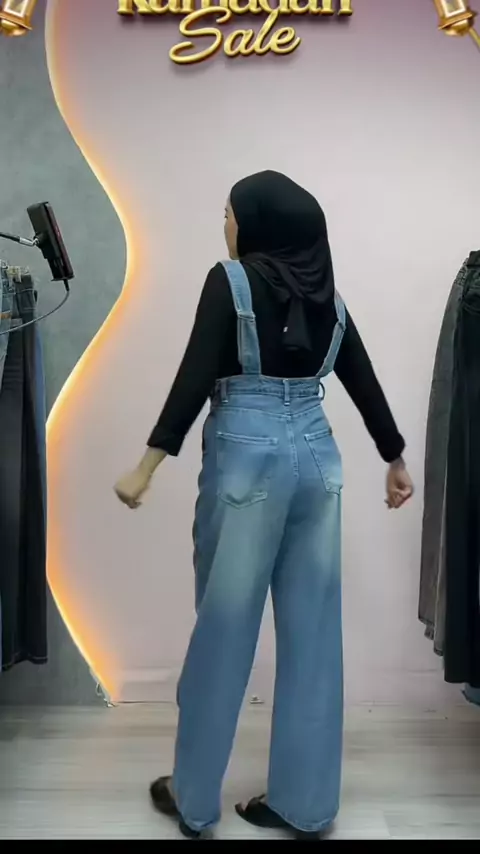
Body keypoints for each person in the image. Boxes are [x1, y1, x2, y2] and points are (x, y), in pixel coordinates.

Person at [114, 170, 413, 840]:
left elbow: (195, 374)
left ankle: (194, 799)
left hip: (248, 457)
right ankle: (305, 805)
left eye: (229, 213)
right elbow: (361, 377)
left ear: (257, 223)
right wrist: (394, 458)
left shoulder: (230, 281)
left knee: (224, 628)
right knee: (314, 632)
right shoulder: (329, 297)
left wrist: (147, 464)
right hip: (318, 459)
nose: (224, 224)